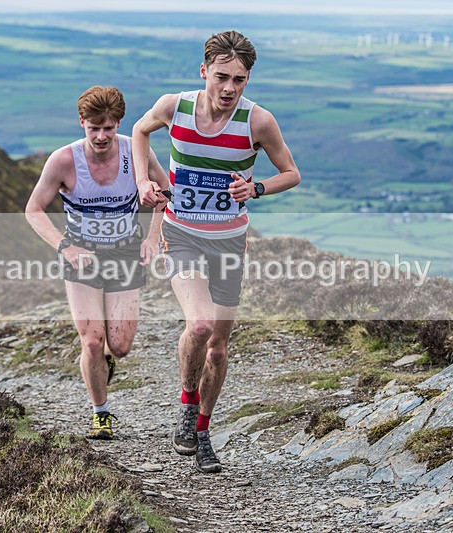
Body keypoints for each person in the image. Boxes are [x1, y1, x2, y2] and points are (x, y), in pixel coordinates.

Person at [131, 30, 300, 473]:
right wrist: (143, 182)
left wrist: (256, 188)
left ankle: (203, 432)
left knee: (219, 349)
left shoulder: (258, 122)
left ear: (248, 80)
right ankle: (188, 404)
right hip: (182, 233)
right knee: (200, 324)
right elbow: (139, 131)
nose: (228, 88)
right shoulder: (174, 107)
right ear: (204, 71)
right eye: (221, 77)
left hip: (228, 241)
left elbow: (291, 173)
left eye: (239, 80)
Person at [25, 86, 168, 440]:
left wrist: (152, 238)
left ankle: (105, 361)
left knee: (119, 345)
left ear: (118, 123)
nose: (101, 136)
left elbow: (166, 192)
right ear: (81, 123)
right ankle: (100, 413)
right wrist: (65, 247)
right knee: (91, 340)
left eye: (108, 128)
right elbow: (33, 209)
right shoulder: (63, 160)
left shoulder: (136, 153)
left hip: (124, 254)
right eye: (93, 128)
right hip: (82, 256)